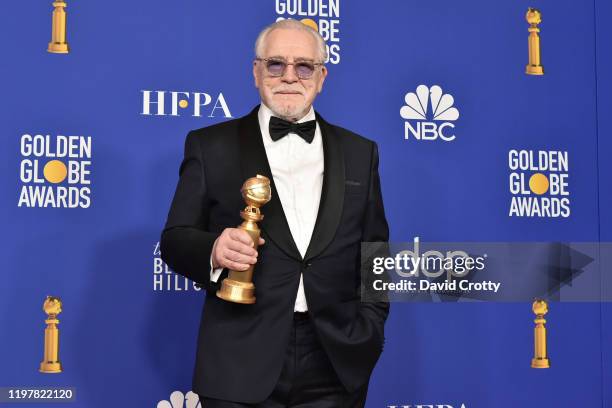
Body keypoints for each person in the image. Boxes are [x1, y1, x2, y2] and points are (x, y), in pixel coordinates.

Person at [160, 19, 389, 408]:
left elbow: (376, 251)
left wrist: (369, 327)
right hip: (238, 359)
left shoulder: (360, 152)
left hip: (335, 361)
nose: (289, 77)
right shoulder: (210, 145)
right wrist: (214, 250)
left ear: (321, 77)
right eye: (275, 64)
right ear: (256, 71)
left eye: (304, 66)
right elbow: (175, 238)